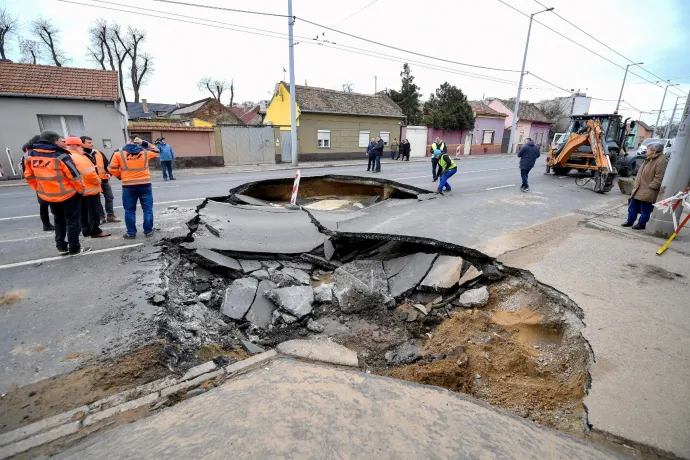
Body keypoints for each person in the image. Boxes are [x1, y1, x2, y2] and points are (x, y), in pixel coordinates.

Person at [23, 130, 90, 255]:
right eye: (60, 140)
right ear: (54, 141)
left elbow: (29, 176)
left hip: (48, 195)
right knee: (73, 222)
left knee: (58, 221)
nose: (62, 142)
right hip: (68, 194)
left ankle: (61, 247)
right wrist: (80, 190)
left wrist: (40, 189)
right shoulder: (61, 156)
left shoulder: (30, 155)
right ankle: (74, 248)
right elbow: (74, 176)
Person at [109, 136, 160, 239]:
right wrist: (144, 142)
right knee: (147, 209)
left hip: (128, 185)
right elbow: (157, 150)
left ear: (127, 141)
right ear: (138, 142)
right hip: (145, 184)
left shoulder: (118, 153)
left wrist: (120, 176)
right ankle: (148, 231)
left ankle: (131, 233)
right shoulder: (145, 152)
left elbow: (111, 168)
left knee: (129, 210)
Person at [64, 137, 110, 239]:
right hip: (89, 189)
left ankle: (86, 230)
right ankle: (95, 231)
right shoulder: (79, 157)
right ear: (76, 146)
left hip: (78, 190)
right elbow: (89, 173)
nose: (82, 148)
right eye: (81, 145)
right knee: (93, 211)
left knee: (83, 212)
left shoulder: (67, 156)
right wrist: (98, 181)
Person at [622, 142, 668, 230]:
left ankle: (641, 224)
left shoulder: (661, 161)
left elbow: (659, 176)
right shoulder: (649, 158)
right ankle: (629, 221)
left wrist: (652, 187)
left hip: (648, 190)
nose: (646, 150)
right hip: (639, 188)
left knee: (645, 208)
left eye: (648, 149)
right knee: (633, 206)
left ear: (654, 151)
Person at [80, 136, 121, 224]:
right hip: (91, 182)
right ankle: (101, 217)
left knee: (109, 197)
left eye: (92, 142)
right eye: (89, 143)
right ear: (82, 143)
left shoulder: (98, 153)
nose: (92, 144)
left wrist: (108, 173)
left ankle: (110, 215)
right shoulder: (80, 155)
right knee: (97, 200)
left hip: (103, 180)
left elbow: (107, 165)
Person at [21, 135, 54, 231]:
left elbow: (27, 173)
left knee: (43, 204)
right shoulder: (35, 153)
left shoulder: (27, 154)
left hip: (39, 182)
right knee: (51, 203)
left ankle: (46, 224)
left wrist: (35, 184)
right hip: (45, 182)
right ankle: (48, 224)